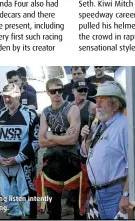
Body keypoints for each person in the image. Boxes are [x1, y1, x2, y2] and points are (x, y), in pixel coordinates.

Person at [79, 81, 135, 219]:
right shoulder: (100, 125)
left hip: (116, 194)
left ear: (115, 105)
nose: (98, 105)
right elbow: (86, 154)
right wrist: (87, 138)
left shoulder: (125, 126)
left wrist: (126, 195)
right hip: (98, 192)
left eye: (102, 100)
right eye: (97, 100)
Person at [34, 78, 86, 219]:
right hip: (51, 161)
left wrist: (51, 136)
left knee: (78, 203)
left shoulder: (72, 108)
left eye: (60, 90)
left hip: (71, 159)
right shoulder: (45, 112)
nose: (57, 93)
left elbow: (72, 140)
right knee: (52, 206)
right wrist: (62, 138)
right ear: (47, 92)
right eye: (53, 91)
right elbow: (41, 142)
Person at [0, 83, 40, 219]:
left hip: (23, 164)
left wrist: (18, 158)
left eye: (10, 96)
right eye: (4, 96)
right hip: (4, 164)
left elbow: (36, 141)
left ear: (18, 95)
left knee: (27, 196)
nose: (7, 99)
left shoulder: (30, 114)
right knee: (8, 197)